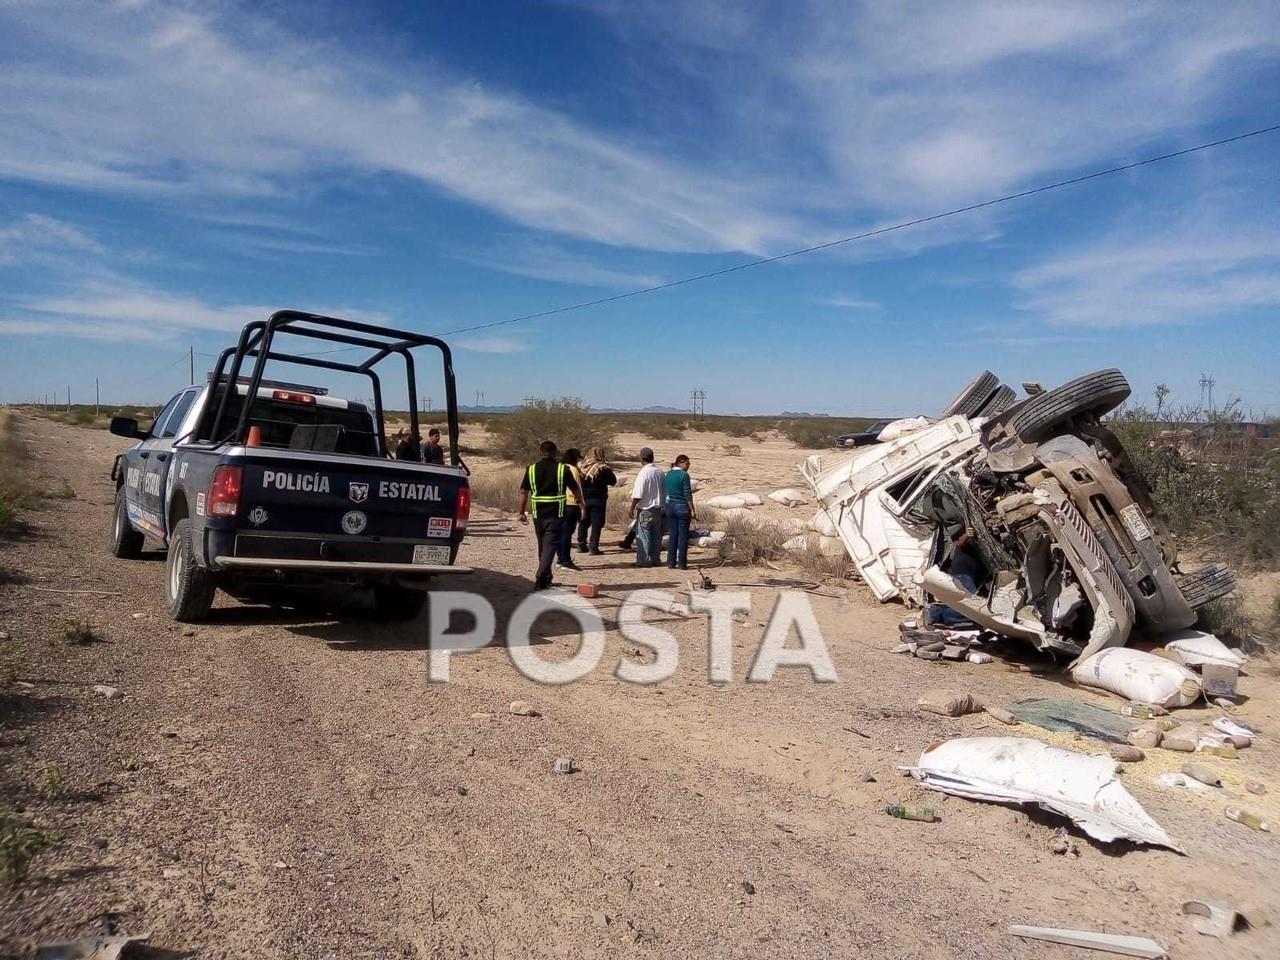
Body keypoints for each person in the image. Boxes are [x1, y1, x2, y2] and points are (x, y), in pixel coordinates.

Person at [518, 440, 584, 591]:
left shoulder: (531, 469)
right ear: (555, 453)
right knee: (549, 545)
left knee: (543, 545)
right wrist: (581, 504)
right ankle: (542, 576)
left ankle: (546, 578)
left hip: (538, 514)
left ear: (540, 453)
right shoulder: (562, 469)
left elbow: (523, 491)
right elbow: (575, 489)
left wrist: (521, 512)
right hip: (556, 514)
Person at [628, 447, 664, 567]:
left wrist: (632, 507)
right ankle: (655, 559)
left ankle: (643, 560)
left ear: (642, 459)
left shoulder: (644, 473)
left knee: (643, 535)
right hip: (658, 509)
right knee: (656, 535)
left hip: (646, 509)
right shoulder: (659, 472)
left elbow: (638, 493)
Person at [576, 447, 617, 555]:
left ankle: (581, 545)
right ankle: (593, 547)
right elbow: (613, 481)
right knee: (597, 523)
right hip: (598, 499)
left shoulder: (580, 467)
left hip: (583, 498)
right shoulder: (603, 468)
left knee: (583, 521)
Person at [664, 454, 696, 569]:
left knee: (673, 535)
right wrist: (692, 509)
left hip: (670, 506)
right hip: (682, 507)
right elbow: (687, 494)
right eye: (687, 463)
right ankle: (682, 563)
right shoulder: (684, 475)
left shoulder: (668, 474)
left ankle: (671, 562)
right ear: (681, 463)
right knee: (683, 536)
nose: (688, 466)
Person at [557, 448, 585, 570]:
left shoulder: (560, 467)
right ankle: (566, 560)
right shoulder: (573, 470)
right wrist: (582, 506)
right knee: (567, 534)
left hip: (559, 503)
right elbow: (577, 489)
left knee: (561, 533)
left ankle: (560, 558)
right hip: (572, 504)